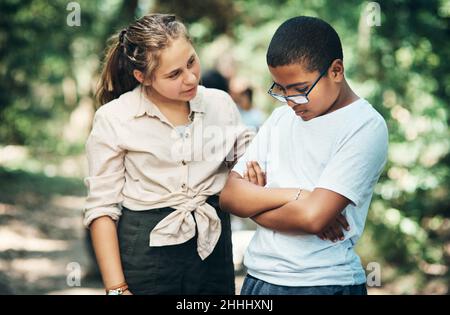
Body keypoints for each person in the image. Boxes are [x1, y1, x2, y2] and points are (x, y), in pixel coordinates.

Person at [84, 13, 252, 295]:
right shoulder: (114, 118)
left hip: (214, 249)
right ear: (143, 76)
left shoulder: (220, 104)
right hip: (146, 254)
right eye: (174, 74)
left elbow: (252, 165)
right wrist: (116, 288)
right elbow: (101, 209)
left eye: (191, 62)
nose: (190, 78)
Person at [220, 16, 388, 295]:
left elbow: (313, 218)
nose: (290, 101)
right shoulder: (280, 119)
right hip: (258, 279)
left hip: (322, 283)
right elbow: (229, 197)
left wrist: (255, 203)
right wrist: (298, 194)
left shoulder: (365, 126)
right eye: (280, 89)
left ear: (336, 71)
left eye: (300, 90)